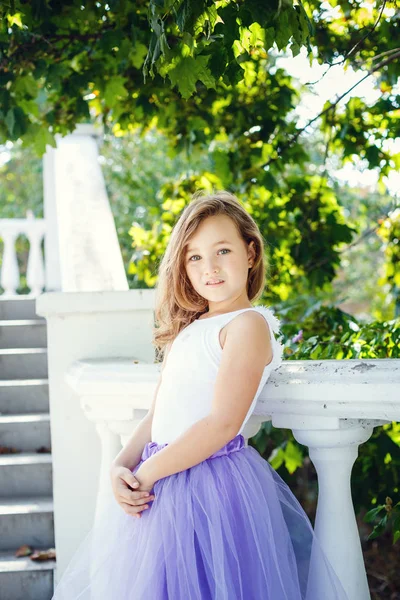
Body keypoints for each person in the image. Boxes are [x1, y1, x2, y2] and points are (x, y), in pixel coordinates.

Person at [52, 190, 349, 599]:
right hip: (162, 481)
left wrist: (146, 475)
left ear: (250, 252)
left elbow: (222, 424)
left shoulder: (247, 325)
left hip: (212, 485)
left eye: (222, 250)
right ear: (183, 267)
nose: (209, 268)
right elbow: (158, 412)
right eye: (194, 257)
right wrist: (122, 465)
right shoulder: (189, 330)